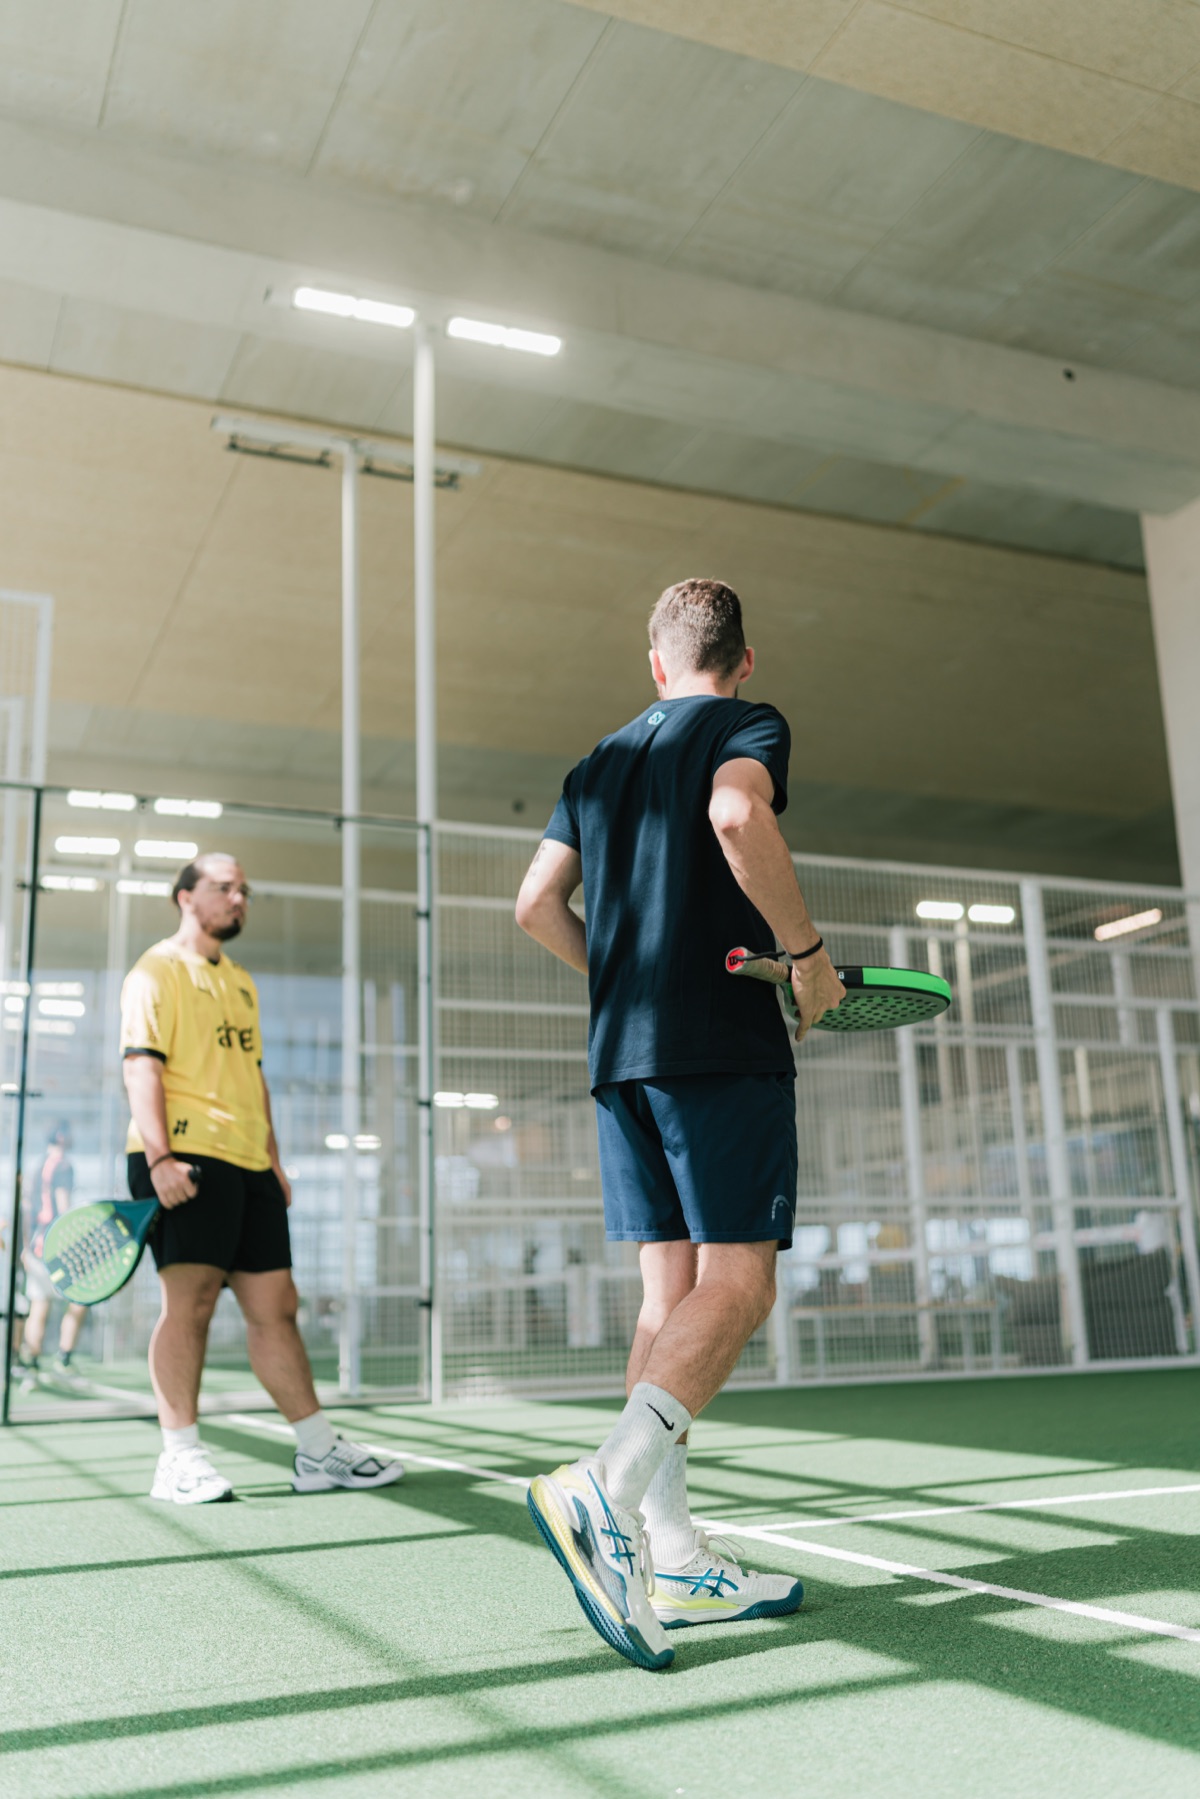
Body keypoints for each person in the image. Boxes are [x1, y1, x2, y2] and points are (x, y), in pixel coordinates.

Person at [516, 578, 844, 1671]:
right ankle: (605, 1491)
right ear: (743, 660)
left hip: (624, 1054)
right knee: (741, 1280)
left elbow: (532, 905)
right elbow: (737, 812)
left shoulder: (595, 759)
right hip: (717, 1037)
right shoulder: (745, 724)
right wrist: (804, 956)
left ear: (655, 662)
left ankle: (673, 1547)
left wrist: (622, 980)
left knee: (669, 1292)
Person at [121, 851, 403, 1504]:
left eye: (244, 889)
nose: (238, 898)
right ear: (186, 897)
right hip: (183, 1159)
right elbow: (142, 1067)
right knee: (188, 1306)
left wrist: (272, 1158)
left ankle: (318, 1452)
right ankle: (179, 1457)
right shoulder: (154, 970)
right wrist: (160, 1159)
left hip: (247, 1163)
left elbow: (254, 1076)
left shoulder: (241, 981)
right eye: (224, 888)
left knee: (276, 1308)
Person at [14, 1122, 87, 1385]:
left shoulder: (35, 1165)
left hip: (35, 1247)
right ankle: (63, 1357)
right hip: (55, 1247)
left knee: (39, 1304)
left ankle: (32, 1360)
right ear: (63, 1138)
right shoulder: (63, 1166)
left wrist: (24, 1248)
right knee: (80, 1300)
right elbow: (64, 1207)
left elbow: (25, 1208)